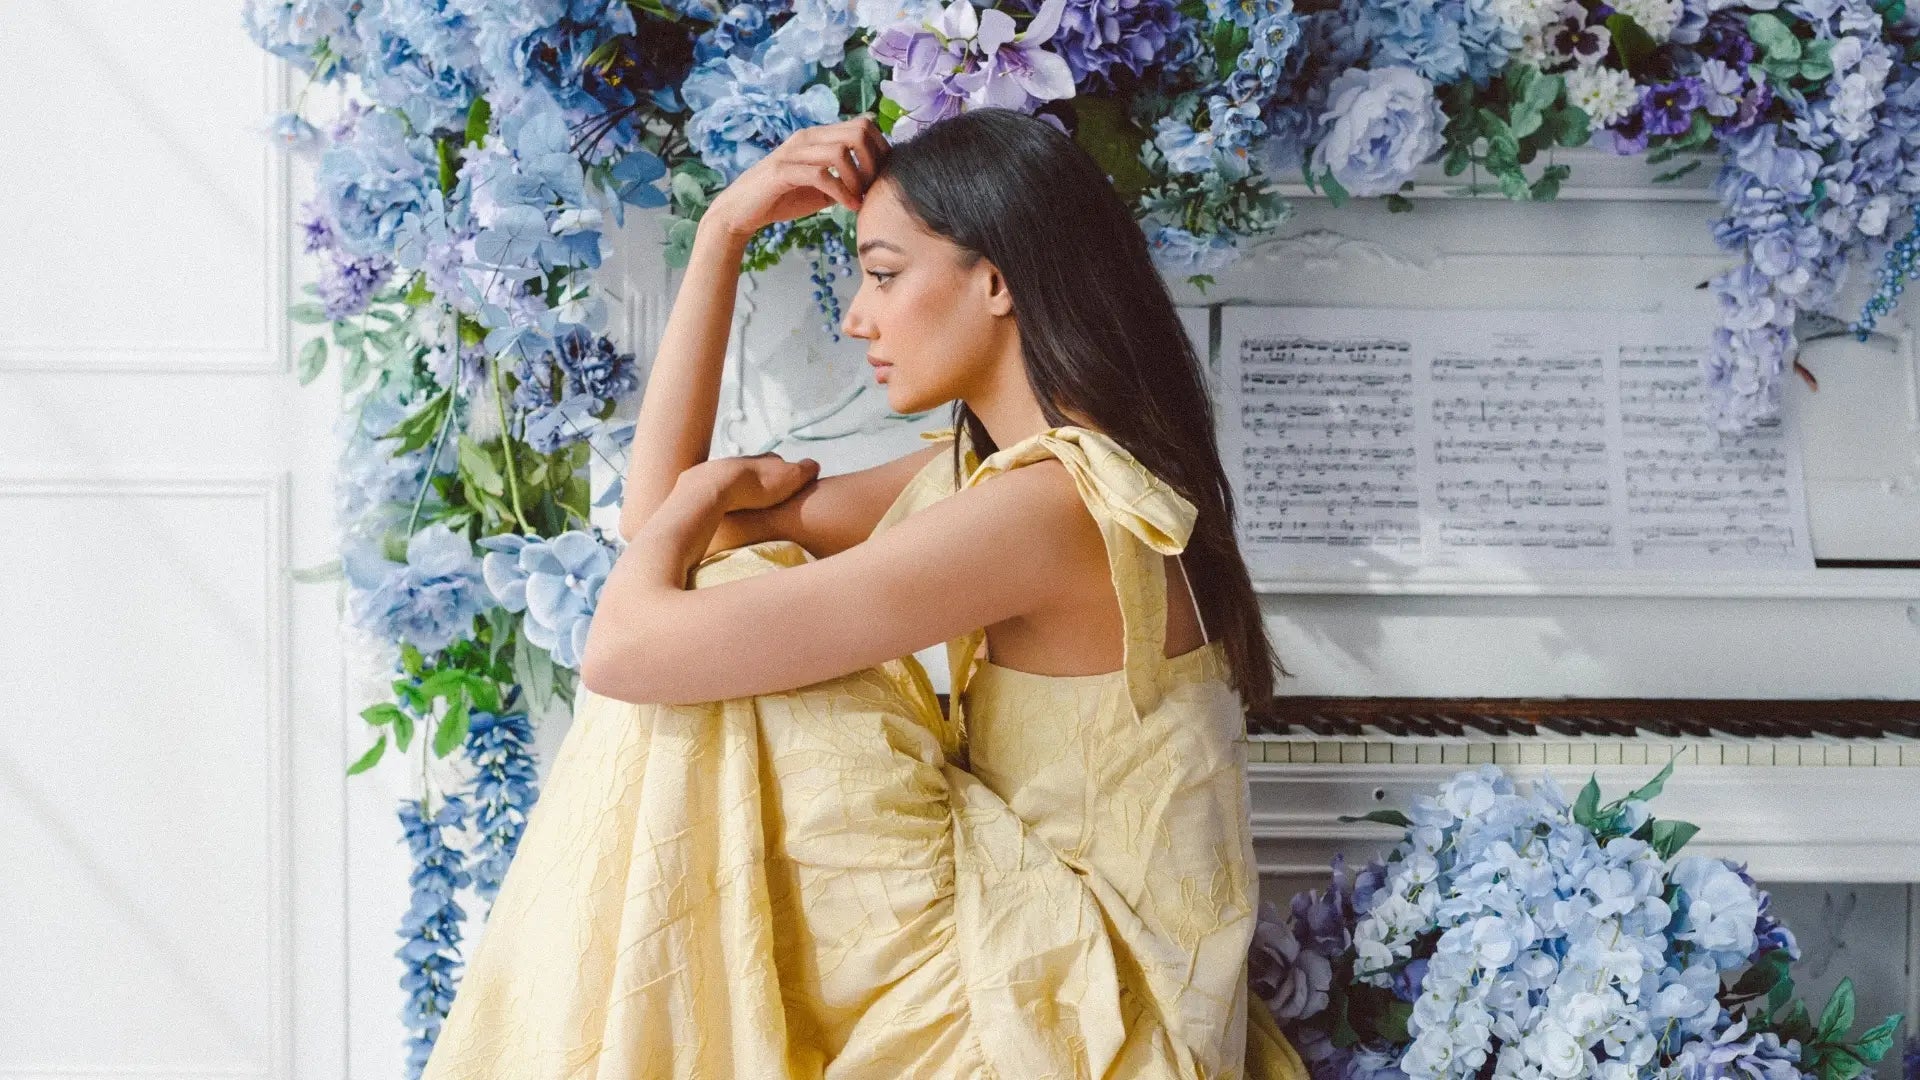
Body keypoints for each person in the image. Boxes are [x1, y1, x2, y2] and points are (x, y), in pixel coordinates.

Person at [420, 106, 1304, 1079]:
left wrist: (710, 494)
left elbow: (625, 648)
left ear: (998, 280)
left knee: (725, 621)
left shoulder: (1049, 511)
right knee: (724, 597)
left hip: (1089, 1024)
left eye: (883, 275)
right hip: (1060, 965)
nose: (855, 316)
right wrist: (721, 235)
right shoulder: (1016, 477)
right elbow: (654, 536)